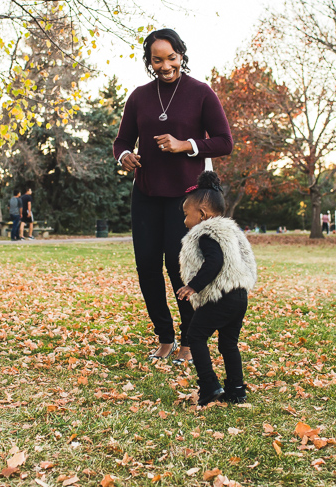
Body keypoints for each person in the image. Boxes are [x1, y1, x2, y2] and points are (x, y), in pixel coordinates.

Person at [113, 28, 234, 364]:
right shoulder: (139, 96)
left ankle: (189, 341)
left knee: (180, 270)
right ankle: (164, 337)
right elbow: (122, 140)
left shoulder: (201, 93)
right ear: (149, 61)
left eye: (171, 58)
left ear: (181, 55)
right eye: (157, 60)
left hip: (186, 198)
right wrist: (124, 157)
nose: (165, 65)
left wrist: (187, 145)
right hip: (146, 193)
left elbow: (224, 141)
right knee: (146, 268)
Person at [176, 171, 256, 406]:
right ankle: (237, 389)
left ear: (201, 214)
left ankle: (209, 385)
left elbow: (215, 262)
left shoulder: (206, 233)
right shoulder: (231, 232)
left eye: (186, 215)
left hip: (221, 295)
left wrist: (193, 286)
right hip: (239, 295)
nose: (184, 221)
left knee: (195, 335)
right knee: (228, 343)